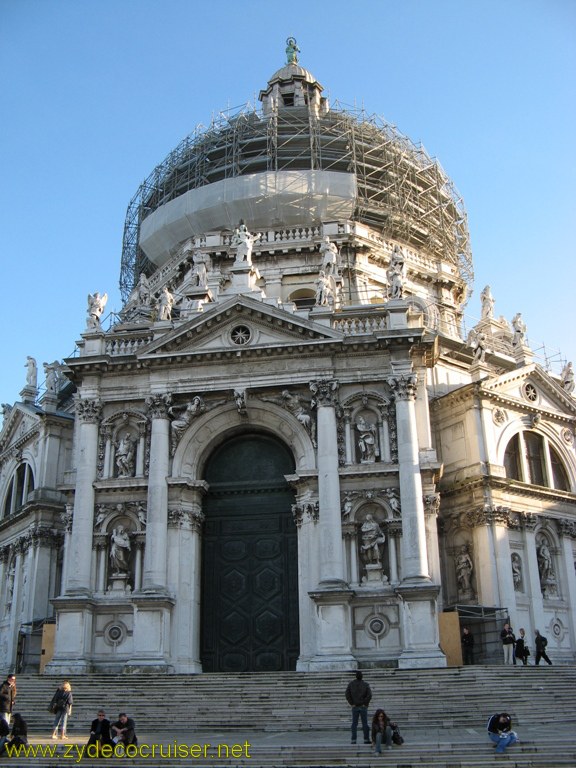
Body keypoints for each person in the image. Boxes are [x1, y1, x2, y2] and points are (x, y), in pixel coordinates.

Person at [345, 671, 372, 745]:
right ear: (362, 676)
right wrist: (365, 703)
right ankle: (366, 739)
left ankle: (353, 739)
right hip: (363, 706)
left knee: (354, 724)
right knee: (365, 723)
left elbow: (347, 694)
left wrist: (352, 703)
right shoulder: (365, 684)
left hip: (355, 706)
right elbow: (369, 695)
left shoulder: (351, 684)